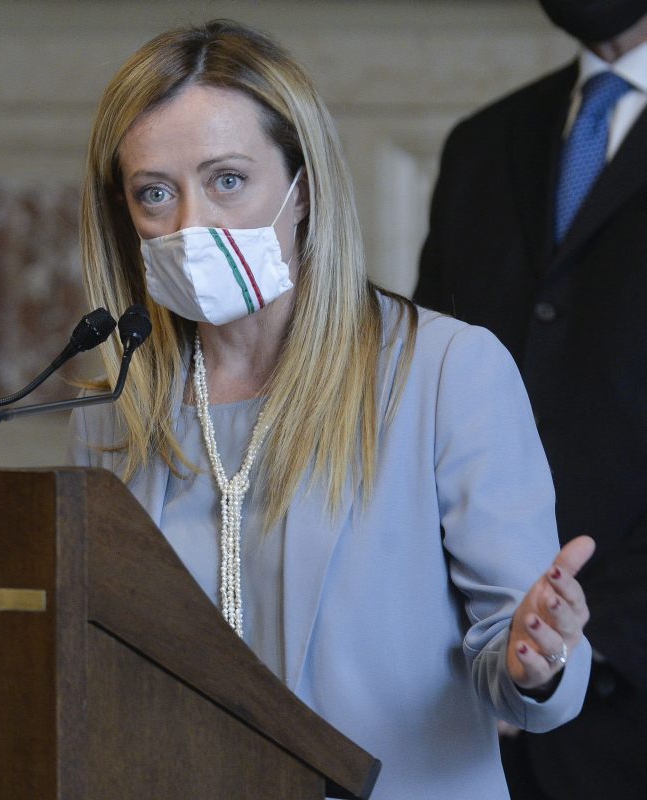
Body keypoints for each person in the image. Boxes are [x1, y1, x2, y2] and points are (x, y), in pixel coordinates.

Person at [68, 20, 595, 800]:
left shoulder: (446, 371)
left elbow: (519, 666)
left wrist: (538, 659)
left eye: (227, 180)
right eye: (155, 193)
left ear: (304, 188)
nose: (191, 225)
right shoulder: (113, 410)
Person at [415, 2, 647, 798]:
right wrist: (477, 640)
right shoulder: (485, 142)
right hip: (467, 704)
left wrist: (576, 643)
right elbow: (422, 397)